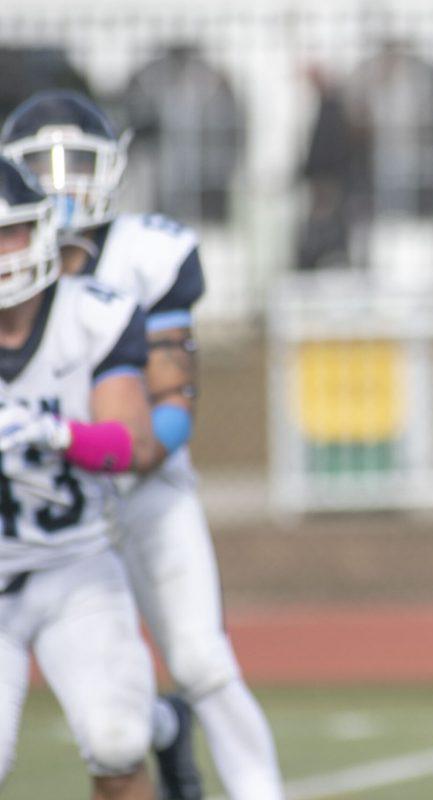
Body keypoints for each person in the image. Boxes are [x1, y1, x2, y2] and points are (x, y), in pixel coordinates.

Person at [1, 90, 285, 800]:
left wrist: (73, 439)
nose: (63, 183)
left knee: (200, 662)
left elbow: (160, 427)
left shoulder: (143, 257)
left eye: (77, 163)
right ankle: (160, 727)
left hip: (135, 491)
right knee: (120, 720)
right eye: (41, 165)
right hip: (28, 519)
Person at [0, 155, 159, 799]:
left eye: (11, 230)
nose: (3, 251)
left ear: (43, 229)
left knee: (119, 739)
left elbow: (133, 445)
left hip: (76, 565)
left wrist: (56, 433)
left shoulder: (93, 312)